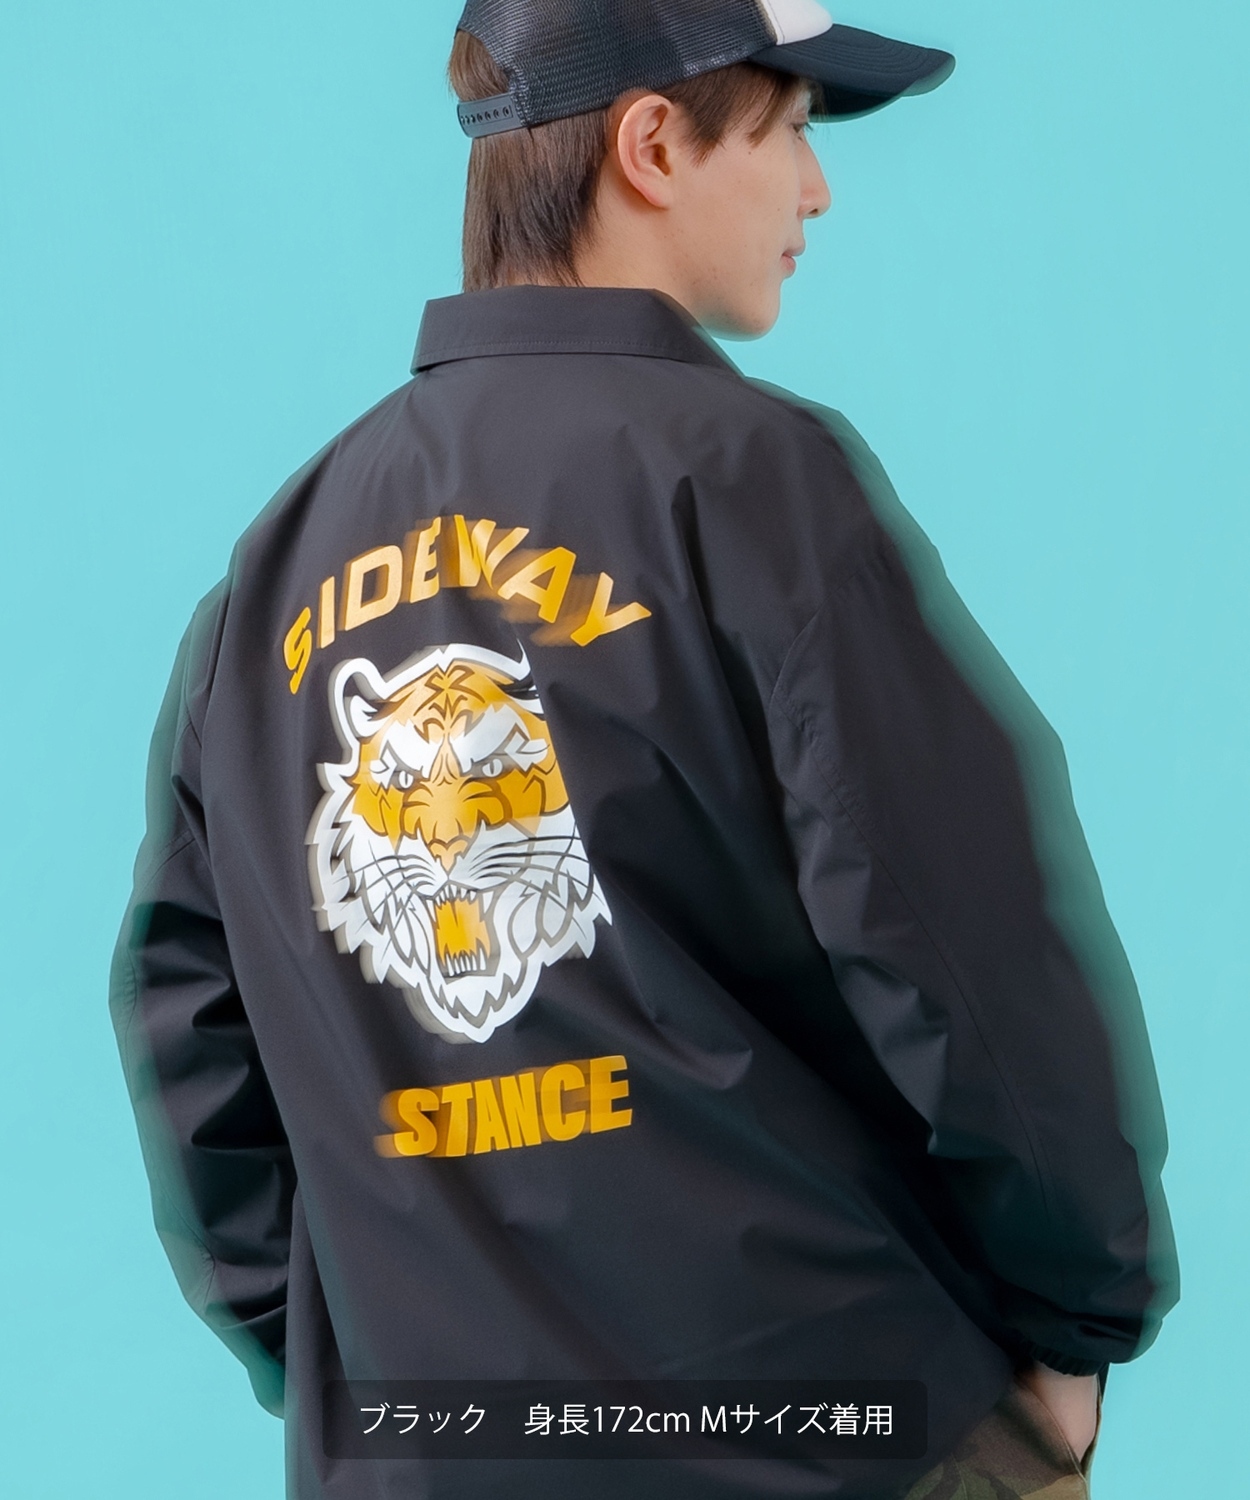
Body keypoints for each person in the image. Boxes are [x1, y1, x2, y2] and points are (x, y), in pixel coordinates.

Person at [110, 4, 1178, 1497]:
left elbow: (190, 1030)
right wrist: (1079, 1324)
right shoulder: (746, 480)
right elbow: (965, 949)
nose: (818, 190)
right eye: (791, 130)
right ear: (654, 145)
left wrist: (378, 1373)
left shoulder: (271, 573)